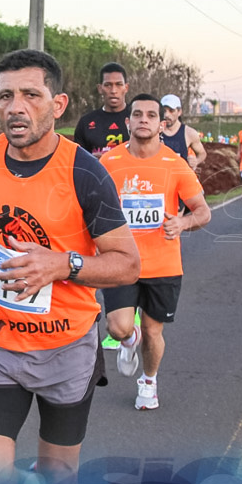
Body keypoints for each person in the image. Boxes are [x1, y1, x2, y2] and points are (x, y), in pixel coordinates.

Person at [0, 50, 140, 484]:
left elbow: (128, 264)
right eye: (6, 96)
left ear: (58, 105)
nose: (16, 107)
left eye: (31, 95)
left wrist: (63, 264)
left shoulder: (84, 173)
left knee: (58, 479)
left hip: (66, 347)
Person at [100, 94, 210, 410]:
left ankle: (148, 382)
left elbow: (203, 211)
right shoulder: (110, 162)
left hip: (163, 263)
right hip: (121, 260)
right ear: (128, 122)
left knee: (152, 331)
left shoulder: (175, 164)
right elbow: (93, 207)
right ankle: (127, 341)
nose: (143, 119)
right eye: (137, 114)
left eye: (151, 115)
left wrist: (183, 222)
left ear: (161, 124)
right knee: (119, 326)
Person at [72, 62, 130, 158]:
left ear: (126, 88)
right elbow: (78, 160)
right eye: (108, 85)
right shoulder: (86, 122)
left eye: (119, 84)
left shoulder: (137, 118)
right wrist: (93, 160)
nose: (113, 91)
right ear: (100, 88)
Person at [159, 94, 208, 172]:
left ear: (179, 112)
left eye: (171, 111)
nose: (166, 115)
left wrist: (195, 161)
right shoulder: (155, 131)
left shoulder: (189, 133)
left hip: (180, 177)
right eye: (164, 111)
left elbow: (202, 153)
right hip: (160, 176)